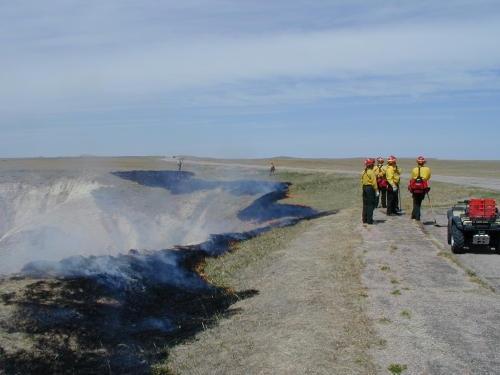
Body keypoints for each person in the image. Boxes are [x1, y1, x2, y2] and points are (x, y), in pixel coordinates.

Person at [409, 156, 431, 221]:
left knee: (415, 201)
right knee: (418, 202)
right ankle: (417, 216)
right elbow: (428, 177)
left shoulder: (414, 169)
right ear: (424, 162)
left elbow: (412, 177)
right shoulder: (427, 169)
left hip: (414, 188)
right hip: (422, 187)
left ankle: (414, 215)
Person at [361, 158, 379, 224]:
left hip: (364, 188)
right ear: (371, 165)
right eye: (372, 164)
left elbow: (362, 181)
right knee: (370, 204)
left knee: (365, 204)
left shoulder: (363, 172)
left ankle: (364, 219)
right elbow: (374, 182)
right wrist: (376, 190)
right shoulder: (371, 172)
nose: (373, 165)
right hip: (370, 189)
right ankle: (369, 220)